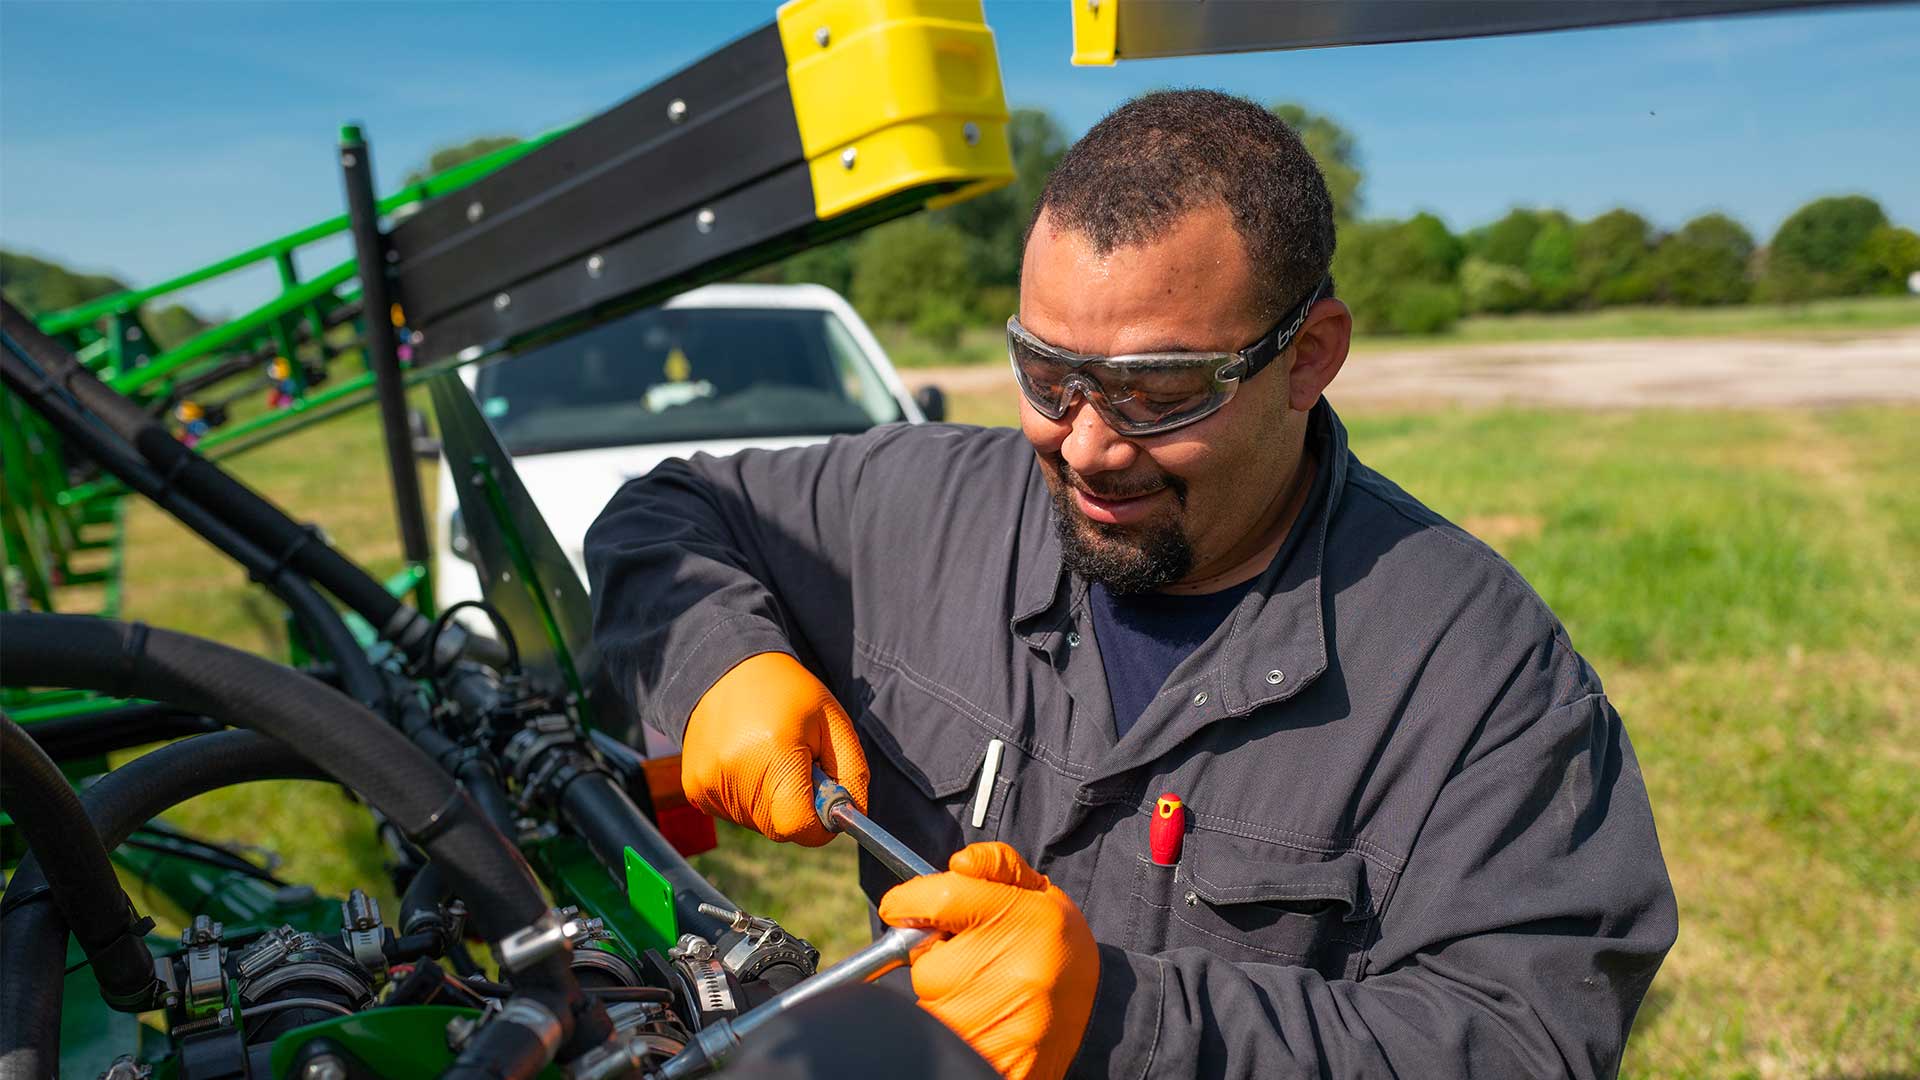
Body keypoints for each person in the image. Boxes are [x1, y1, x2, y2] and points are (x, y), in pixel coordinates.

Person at [587, 90, 1676, 1080]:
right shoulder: (926, 508)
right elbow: (667, 511)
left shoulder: (1478, 678)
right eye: (1048, 376)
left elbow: (1528, 1043)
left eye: (1158, 394)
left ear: (1311, 357)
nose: (1091, 447)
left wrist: (1127, 1023)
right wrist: (721, 663)